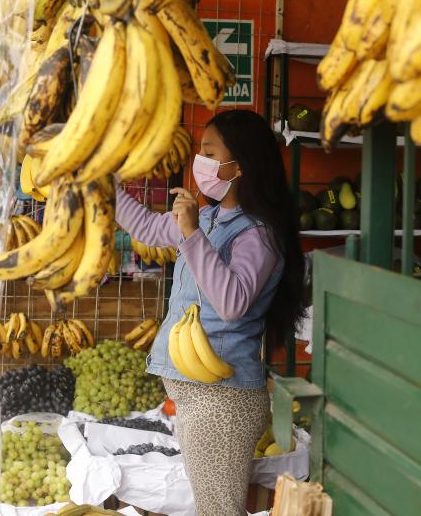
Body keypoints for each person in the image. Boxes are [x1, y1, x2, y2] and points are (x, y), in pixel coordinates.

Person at [115, 109, 307, 515]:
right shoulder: (208, 217)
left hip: (222, 402)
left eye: (208, 151)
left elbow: (234, 303)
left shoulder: (259, 235)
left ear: (239, 165)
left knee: (218, 511)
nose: (198, 160)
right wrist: (103, 187)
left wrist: (190, 235)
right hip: (195, 398)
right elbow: (148, 229)